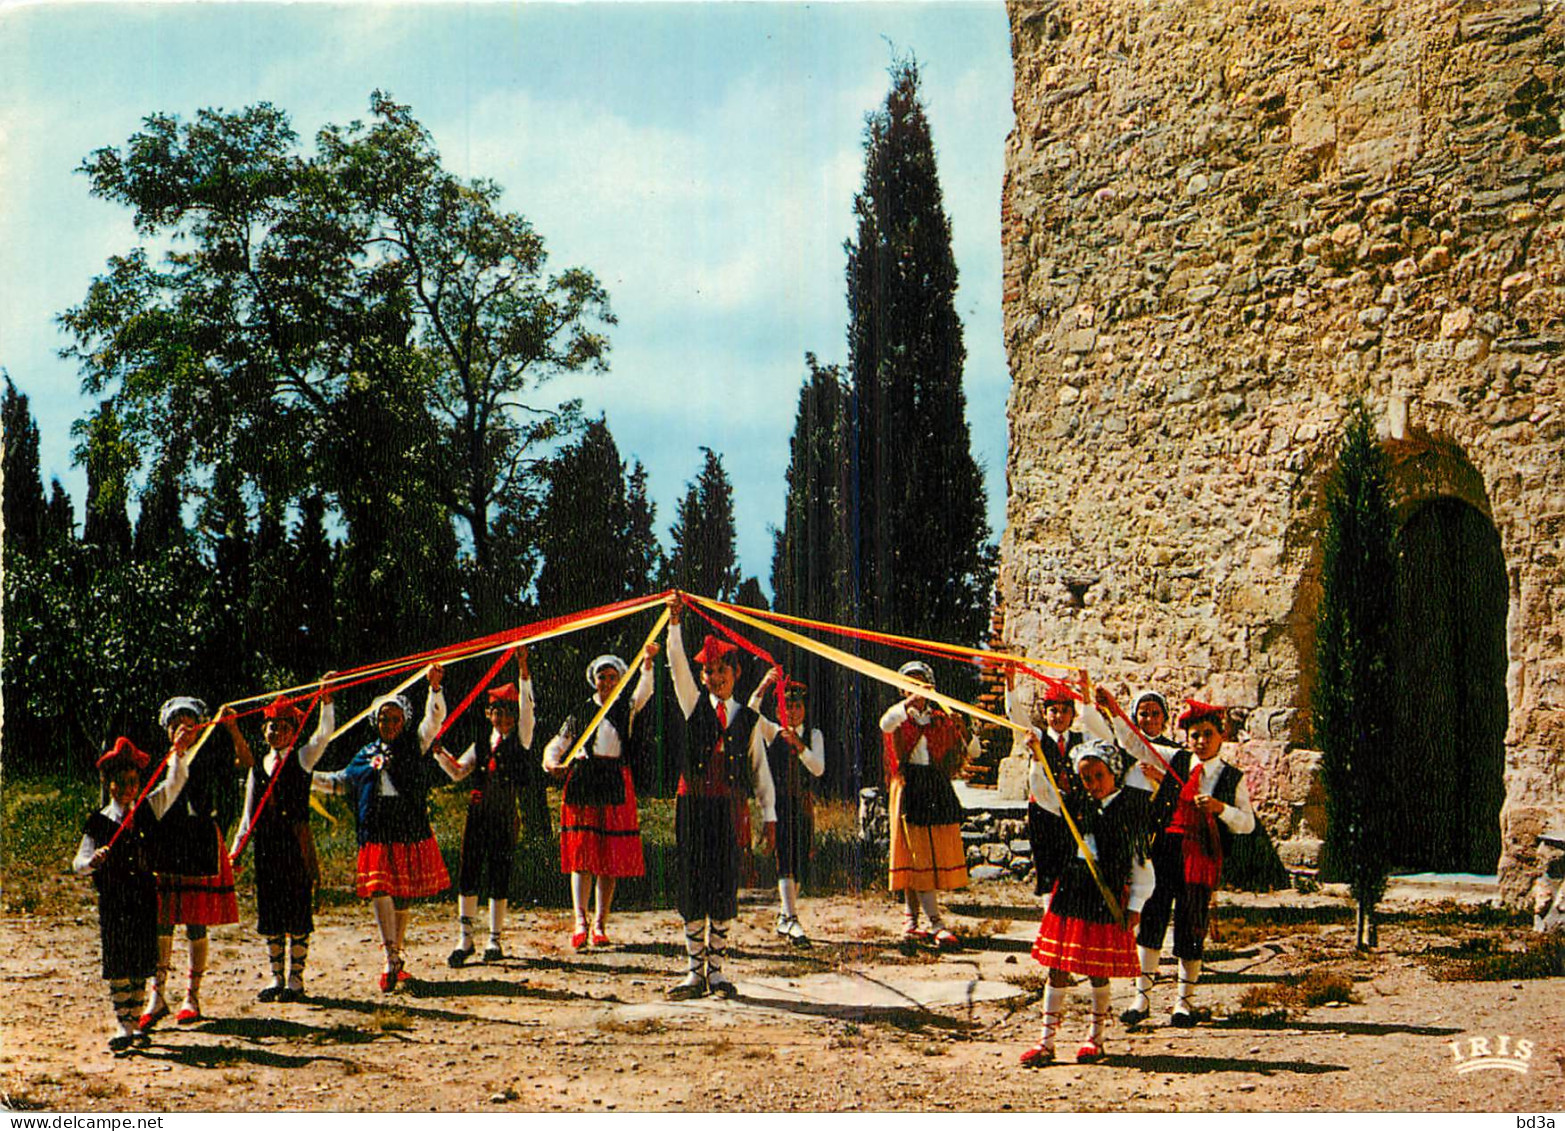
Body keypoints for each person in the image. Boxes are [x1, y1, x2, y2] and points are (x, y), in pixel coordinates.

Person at [664, 594, 779, 999]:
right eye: (709, 671)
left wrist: (770, 816)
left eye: (721, 670)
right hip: (693, 808)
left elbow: (759, 770)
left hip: (729, 811)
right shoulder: (693, 704)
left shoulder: (748, 719)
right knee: (693, 886)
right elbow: (677, 665)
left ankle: (717, 972)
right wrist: (674, 624)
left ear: (736, 672)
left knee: (723, 887)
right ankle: (694, 973)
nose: (715, 677)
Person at [312, 665, 450, 991]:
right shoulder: (364, 754)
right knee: (379, 889)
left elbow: (434, 722)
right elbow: (340, 782)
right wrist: (307, 779)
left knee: (401, 896)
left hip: (406, 827)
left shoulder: (414, 745)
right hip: (375, 829)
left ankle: (396, 956)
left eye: (395, 719)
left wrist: (434, 688)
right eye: (384, 720)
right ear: (375, 722)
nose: (389, 725)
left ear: (404, 722)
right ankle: (390, 956)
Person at [1021, 739, 1154, 1066]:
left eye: (1099, 776)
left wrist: (1135, 905)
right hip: (1071, 891)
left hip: (1103, 896)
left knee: (1097, 970)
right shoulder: (1074, 804)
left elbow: (1141, 865)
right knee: (1058, 967)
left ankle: (1095, 1038)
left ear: (1114, 774)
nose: (1092, 784)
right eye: (1086, 778)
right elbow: (1045, 795)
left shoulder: (1129, 810)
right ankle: (1046, 1041)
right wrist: (1037, 759)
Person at [1123, 699, 1256, 1027]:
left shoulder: (1231, 777)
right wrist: (1109, 710)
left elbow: (1248, 823)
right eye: (1194, 734)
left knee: (1190, 925)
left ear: (1221, 736)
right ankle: (1142, 999)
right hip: (1166, 851)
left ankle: (1184, 1003)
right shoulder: (1175, 760)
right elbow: (1133, 744)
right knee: (1152, 921)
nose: (1201, 741)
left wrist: (1220, 808)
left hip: (1200, 857)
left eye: (1207, 734)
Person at [74, 736, 192, 1051]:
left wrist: (178, 754)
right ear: (108, 784)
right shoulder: (98, 822)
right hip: (114, 901)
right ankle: (122, 1023)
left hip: (142, 898)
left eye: (133, 781)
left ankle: (135, 1022)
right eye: (121, 782)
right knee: (118, 961)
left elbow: (174, 783)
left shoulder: (147, 810)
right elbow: (78, 863)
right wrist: (92, 860)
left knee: (141, 961)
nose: (128, 788)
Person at [224, 685, 336, 1002]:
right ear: (264, 730)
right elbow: (249, 815)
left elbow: (323, 736)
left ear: (294, 731)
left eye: (284, 727)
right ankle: (276, 978)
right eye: (272, 726)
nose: (277, 731)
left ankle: (296, 980)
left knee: (298, 910)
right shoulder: (258, 767)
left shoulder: (302, 759)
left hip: (295, 846)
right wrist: (237, 850)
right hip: (267, 848)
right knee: (271, 912)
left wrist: (326, 702)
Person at [541, 647, 658, 950]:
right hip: (583, 782)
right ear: (594, 681)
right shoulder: (580, 712)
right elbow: (559, 741)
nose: (606, 682)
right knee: (583, 856)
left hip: (614, 781)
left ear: (620, 679)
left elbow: (645, 691)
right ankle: (580, 921)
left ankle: (600, 924)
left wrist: (646, 663)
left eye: (612, 677)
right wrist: (551, 761)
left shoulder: (625, 708)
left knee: (609, 858)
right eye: (601, 677)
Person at [140, 696, 243, 1030]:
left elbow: (230, 790)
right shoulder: (158, 762)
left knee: (196, 920)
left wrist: (224, 834)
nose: (182, 729)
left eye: (189, 723)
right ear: (166, 729)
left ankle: (192, 995)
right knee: (162, 920)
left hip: (200, 840)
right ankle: (157, 995)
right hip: (167, 842)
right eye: (175, 724)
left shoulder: (212, 757)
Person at [433, 648, 537, 966]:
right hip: (477, 814)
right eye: (497, 712)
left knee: (499, 873)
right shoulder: (480, 744)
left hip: (505, 814)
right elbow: (458, 771)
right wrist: (439, 753)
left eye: (508, 712)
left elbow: (529, 709)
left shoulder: (522, 738)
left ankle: (495, 940)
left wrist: (523, 669)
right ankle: (465, 940)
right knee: (469, 871)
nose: (503, 718)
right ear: (487, 713)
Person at [880, 661, 976, 948]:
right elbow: (885, 724)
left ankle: (912, 919)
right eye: (909, 683)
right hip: (909, 786)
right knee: (915, 854)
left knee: (924, 856)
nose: (915, 688)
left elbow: (972, 751)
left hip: (933, 787)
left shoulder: (940, 717)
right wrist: (909, 701)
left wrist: (962, 728)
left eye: (920, 682)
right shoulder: (898, 716)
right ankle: (933, 922)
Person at [748, 671, 825, 945]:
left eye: (797, 706)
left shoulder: (813, 734)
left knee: (801, 859)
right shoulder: (773, 732)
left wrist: (800, 745)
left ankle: (785, 914)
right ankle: (791, 918)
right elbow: (751, 711)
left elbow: (818, 768)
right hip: (779, 803)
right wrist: (766, 683)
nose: (792, 712)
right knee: (785, 858)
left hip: (802, 804)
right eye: (787, 706)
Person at [1006, 672, 1086, 897]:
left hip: (1073, 810)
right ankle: (1048, 920)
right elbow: (1016, 716)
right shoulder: (1038, 737)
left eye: (1065, 711)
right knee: (1047, 867)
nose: (1059, 716)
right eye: (1054, 711)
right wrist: (1010, 684)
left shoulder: (1082, 740)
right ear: (1045, 713)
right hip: (1043, 812)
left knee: (1072, 866)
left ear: (1073, 714)